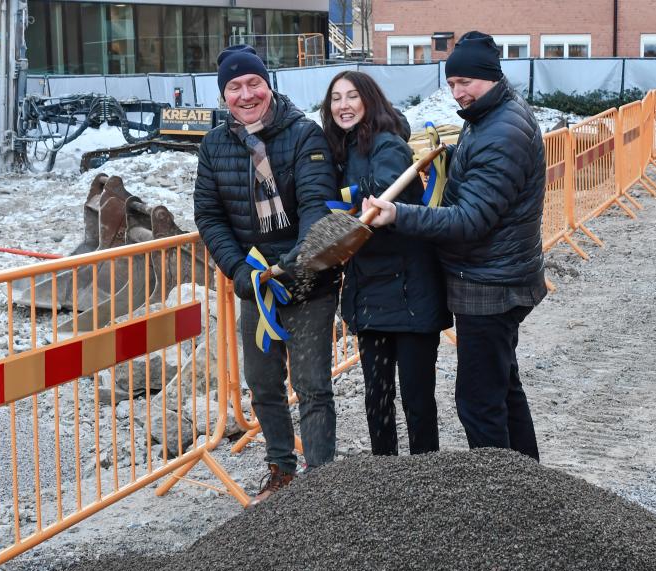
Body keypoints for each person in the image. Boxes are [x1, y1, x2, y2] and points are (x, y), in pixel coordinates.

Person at [364, 31, 546, 461]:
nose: (457, 92)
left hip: (491, 285)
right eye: (451, 83)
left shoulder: (501, 131)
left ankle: (503, 505)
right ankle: (532, 490)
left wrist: (399, 215)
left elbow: (471, 219)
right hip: (500, 275)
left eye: (466, 82)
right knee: (503, 388)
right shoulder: (492, 118)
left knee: (479, 404)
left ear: (491, 77)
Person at [193, 45, 339, 502]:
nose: (246, 93)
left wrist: (296, 263)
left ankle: (321, 478)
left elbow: (317, 204)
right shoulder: (215, 145)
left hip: (306, 276)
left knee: (312, 384)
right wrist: (238, 270)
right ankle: (281, 468)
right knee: (263, 385)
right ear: (224, 96)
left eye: (253, 83)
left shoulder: (303, 135)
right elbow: (209, 215)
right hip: (255, 283)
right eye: (234, 87)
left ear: (268, 84)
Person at [320, 71, 451, 456]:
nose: (344, 105)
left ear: (369, 100)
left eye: (352, 96)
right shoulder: (342, 149)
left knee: (416, 398)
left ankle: (426, 479)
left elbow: (384, 187)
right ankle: (384, 482)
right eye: (336, 98)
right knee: (377, 399)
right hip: (370, 291)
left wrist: (344, 198)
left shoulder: (387, 144)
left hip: (410, 289)